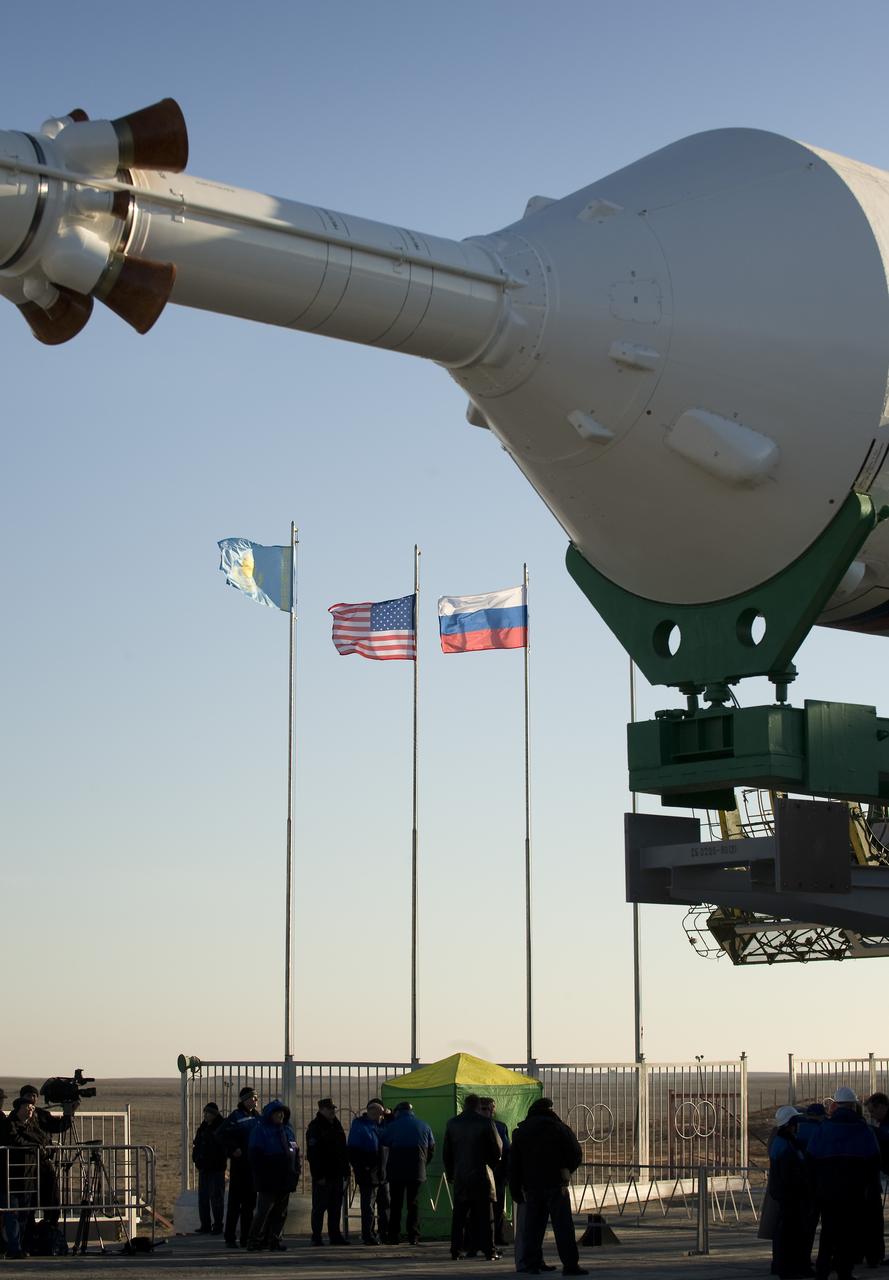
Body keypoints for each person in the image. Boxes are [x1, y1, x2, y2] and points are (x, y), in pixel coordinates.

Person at [807, 1085, 881, 1280]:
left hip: (827, 1190)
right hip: (854, 1190)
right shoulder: (863, 1130)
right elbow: (874, 1161)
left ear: (836, 1105)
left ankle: (822, 1270)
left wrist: (816, 1187)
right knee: (848, 1232)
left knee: (828, 1230)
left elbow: (811, 1159)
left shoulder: (823, 1129)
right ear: (853, 1105)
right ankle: (844, 1271)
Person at [509, 1097, 587, 1277]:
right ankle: (570, 1265)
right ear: (550, 1110)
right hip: (556, 1184)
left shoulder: (521, 1132)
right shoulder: (559, 1129)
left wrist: (515, 1189)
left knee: (533, 1227)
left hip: (532, 1186)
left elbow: (514, 1164)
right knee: (563, 1227)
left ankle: (532, 1264)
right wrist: (566, 1170)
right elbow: (575, 1153)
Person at [443, 1093, 502, 1262]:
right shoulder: (486, 1123)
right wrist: (491, 1166)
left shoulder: (452, 1123)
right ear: (477, 1106)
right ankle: (490, 1250)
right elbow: (497, 1149)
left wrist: (451, 1173)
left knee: (459, 1216)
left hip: (461, 1175)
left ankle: (456, 1250)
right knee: (486, 1216)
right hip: (482, 1175)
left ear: (464, 1105)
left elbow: (447, 1152)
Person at [246, 1101, 300, 1252]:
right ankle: (254, 1240)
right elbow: (254, 1157)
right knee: (264, 1211)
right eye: (277, 1113)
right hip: (268, 1178)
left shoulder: (287, 1130)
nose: (280, 1115)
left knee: (281, 1212)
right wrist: (262, 1175)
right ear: (270, 1114)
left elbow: (295, 1151)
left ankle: (274, 1239)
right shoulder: (260, 1130)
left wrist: (296, 1170)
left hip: (285, 1177)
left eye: (282, 1112)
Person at [380, 1100, 435, 1245]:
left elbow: (383, 1141)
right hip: (417, 1170)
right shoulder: (424, 1125)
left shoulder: (392, 1126)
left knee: (396, 1204)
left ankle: (393, 1236)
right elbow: (431, 1149)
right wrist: (423, 1164)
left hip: (396, 1171)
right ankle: (414, 1236)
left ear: (398, 1112)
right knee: (413, 1203)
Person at [768, 1105, 811, 1280]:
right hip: (790, 1194)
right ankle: (787, 1267)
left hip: (788, 1193)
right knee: (788, 1232)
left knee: (788, 1230)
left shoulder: (786, 1141)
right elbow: (789, 1173)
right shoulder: (785, 1144)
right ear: (790, 1124)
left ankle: (786, 1266)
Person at [218, 1086, 260, 1249]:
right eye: (252, 1098)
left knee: (249, 1205)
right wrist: (233, 1149)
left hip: (252, 1167)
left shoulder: (257, 1117)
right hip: (239, 1167)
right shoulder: (236, 1116)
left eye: (256, 1097)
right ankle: (230, 1237)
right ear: (244, 1100)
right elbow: (221, 1135)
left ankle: (245, 1237)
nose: (255, 1100)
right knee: (235, 1204)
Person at [306, 1098, 349, 1245]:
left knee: (335, 1207)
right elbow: (313, 1154)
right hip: (324, 1175)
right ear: (321, 1110)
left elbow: (342, 1150)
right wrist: (318, 1175)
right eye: (329, 1109)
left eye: (333, 1108)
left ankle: (335, 1235)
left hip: (337, 1173)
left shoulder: (336, 1125)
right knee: (319, 1207)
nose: (332, 1111)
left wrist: (345, 1171)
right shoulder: (315, 1127)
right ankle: (316, 1237)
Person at [347, 1099, 387, 1244]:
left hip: (380, 1171)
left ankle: (382, 1233)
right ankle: (368, 1234)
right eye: (379, 1113)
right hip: (368, 1172)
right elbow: (353, 1151)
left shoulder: (379, 1125)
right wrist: (363, 1168)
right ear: (372, 1112)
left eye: (382, 1113)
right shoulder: (361, 1127)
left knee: (383, 1204)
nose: (380, 1116)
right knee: (368, 1205)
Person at [479, 1097, 511, 1248]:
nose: (490, 1111)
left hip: (482, 1172)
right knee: (495, 1207)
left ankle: (480, 1239)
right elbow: (505, 1150)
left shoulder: (467, 1125)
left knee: (481, 1207)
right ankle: (496, 1237)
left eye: (490, 1108)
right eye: (487, 1108)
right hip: (495, 1172)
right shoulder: (499, 1127)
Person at [191, 1102, 226, 1235]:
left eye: (208, 1113)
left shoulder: (220, 1128)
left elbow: (222, 1149)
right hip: (204, 1168)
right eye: (204, 1113)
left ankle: (217, 1225)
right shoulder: (203, 1127)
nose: (205, 1115)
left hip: (216, 1169)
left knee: (216, 1199)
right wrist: (196, 1159)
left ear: (214, 1115)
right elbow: (197, 1144)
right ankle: (205, 1225)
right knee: (203, 1198)